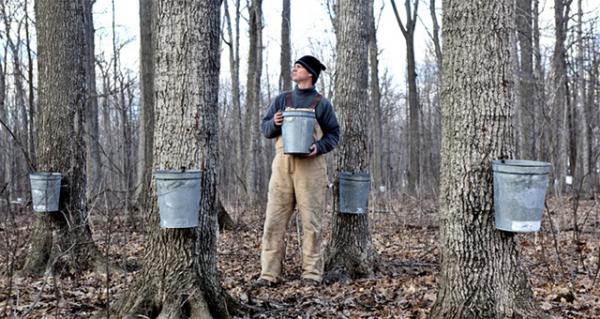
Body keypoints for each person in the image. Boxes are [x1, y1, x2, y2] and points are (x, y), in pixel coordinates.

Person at [255, 55, 340, 287]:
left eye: (299, 67)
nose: (294, 69)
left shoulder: (322, 103)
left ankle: (312, 273)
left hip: (311, 168)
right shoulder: (283, 99)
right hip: (281, 167)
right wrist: (275, 122)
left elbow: (334, 134)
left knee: (311, 223)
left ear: (310, 74)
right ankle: (268, 273)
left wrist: (318, 147)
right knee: (274, 220)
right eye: (295, 66)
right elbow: (265, 128)